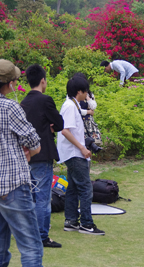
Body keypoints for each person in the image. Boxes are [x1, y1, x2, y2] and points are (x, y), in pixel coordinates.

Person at [0, 59, 43, 266]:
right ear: (10, 83)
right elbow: (33, 142)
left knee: (0, 248)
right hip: (12, 185)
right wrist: (29, 151)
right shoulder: (10, 107)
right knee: (30, 246)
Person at [20, 64, 64, 248]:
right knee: (43, 198)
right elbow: (60, 123)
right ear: (43, 80)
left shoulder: (23, 102)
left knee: (30, 196)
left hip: (26, 155)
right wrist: (50, 126)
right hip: (42, 153)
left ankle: (30, 232)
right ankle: (42, 236)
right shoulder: (45, 100)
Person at [57, 76, 105, 235]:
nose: (87, 95)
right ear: (79, 91)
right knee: (85, 188)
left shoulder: (73, 104)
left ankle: (71, 221)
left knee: (73, 188)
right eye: (86, 91)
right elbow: (65, 130)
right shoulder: (70, 106)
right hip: (74, 153)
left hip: (72, 153)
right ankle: (86, 224)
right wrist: (82, 148)